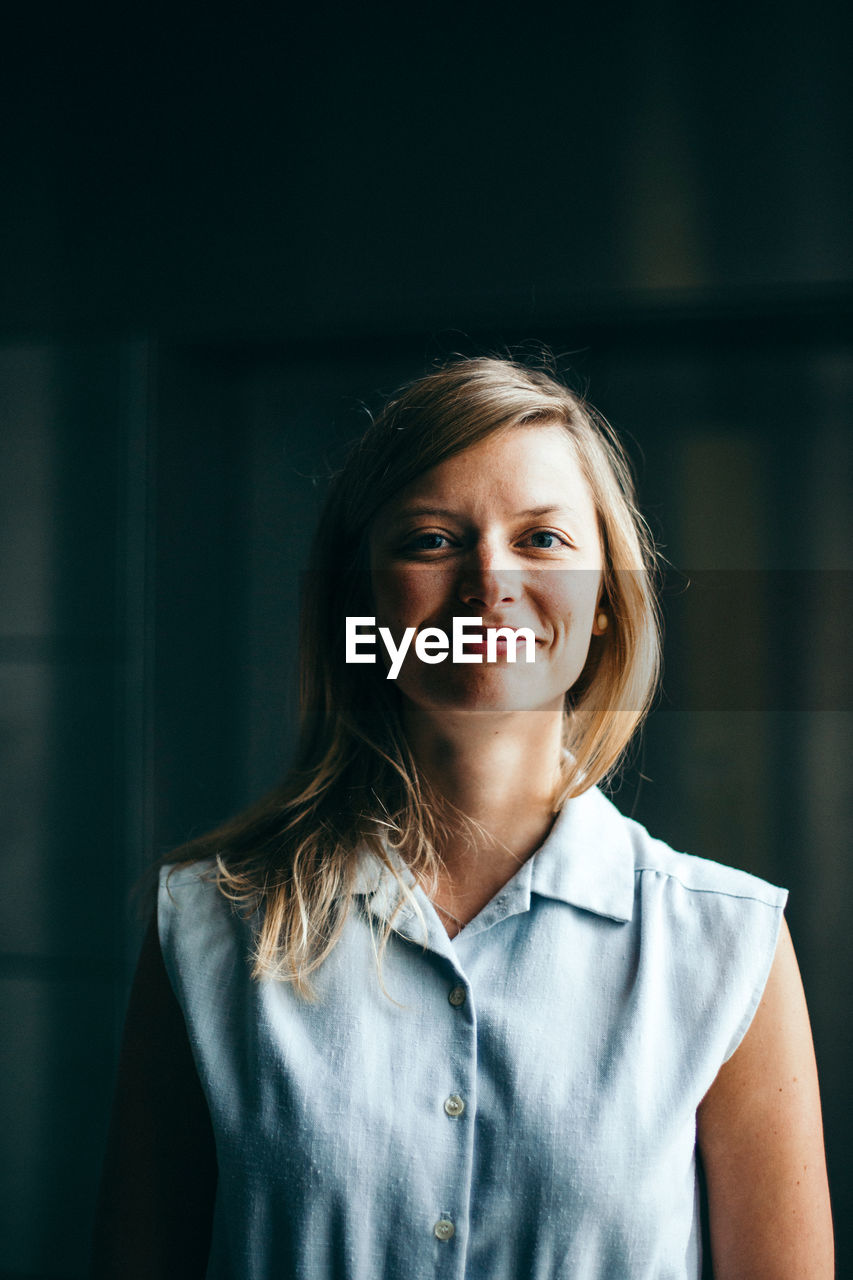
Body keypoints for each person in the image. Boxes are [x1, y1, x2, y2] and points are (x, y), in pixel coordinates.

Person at [92, 355, 834, 1279]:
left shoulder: (727, 946)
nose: (490, 582)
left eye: (543, 539)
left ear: (603, 601)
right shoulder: (206, 924)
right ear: (362, 599)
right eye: (432, 540)